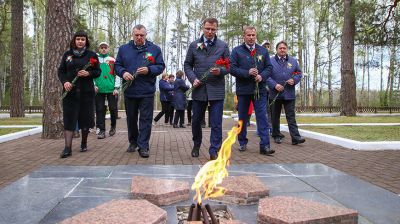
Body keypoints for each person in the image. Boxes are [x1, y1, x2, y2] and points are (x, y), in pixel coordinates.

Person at [115, 24, 165, 158]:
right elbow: (117, 66)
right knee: (131, 119)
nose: (139, 37)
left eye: (141, 35)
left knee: (146, 119)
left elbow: (160, 66)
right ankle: (133, 142)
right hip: (130, 90)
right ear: (132, 35)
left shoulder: (154, 49)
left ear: (145, 35)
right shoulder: (124, 49)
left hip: (146, 91)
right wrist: (123, 72)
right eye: (136, 35)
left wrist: (149, 70)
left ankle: (143, 146)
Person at [184, 17, 230, 160]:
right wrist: (193, 79)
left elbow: (229, 66)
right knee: (196, 120)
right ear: (202, 28)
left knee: (216, 122)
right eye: (207, 29)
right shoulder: (194, 45)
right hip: (199, 89)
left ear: (216, 30)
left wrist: (221, 71)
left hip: (216, 89)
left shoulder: (223, 46)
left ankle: (214, 149)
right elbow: (187, 65)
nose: (210, 32)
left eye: (213, 29)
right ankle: (196, 144)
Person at [230, 26, 274, 155]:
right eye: (248, 35)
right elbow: (232, 68)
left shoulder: (263, 51)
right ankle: (242, 141)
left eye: (253, 35)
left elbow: (269, 67)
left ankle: (265, 145)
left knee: (262, 117)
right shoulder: (237, 51)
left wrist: (262, 76)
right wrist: (247, 72)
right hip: (243, 90)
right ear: (243, 36)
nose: (251, 37)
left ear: (256, 36)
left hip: (259, 90)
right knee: (242, 118)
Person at [58, 31, 101, 158]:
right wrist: (65, 82)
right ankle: (67, 148)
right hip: (70, 93)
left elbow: (98, 71)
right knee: (69, 119)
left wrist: (88, 74)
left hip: (86, 93)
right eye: (78, 39)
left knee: (85, 119)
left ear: (86, 41)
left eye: (82, 39)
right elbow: (61, 71)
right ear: (74, 41)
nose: (80, 41)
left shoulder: (91, 55)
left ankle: (84, 142)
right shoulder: (67, 54)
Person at [267, 41, 305, 145]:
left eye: (284, 48)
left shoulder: (293, 61)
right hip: (275, 94)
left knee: (291, 117)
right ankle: (276, 135)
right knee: (275, 117)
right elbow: (266, 76)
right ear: (277, 50)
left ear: (287, 49)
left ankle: (296, 138)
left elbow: (299, 73)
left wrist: (294, 80)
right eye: (280, 48)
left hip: (289, 94)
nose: (282, 50)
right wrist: (275, 85)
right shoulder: (270, 61)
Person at [94, 41, 120, 139]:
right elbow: (92, 74)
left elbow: (117, 75)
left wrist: (116, 88)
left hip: (111, 89)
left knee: (113, 108)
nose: (104, 49)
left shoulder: (112, 60)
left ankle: (113, 126)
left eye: (105, 47)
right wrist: (94, 85)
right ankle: (101, 130)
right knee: (100, 109)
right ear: (99, 49)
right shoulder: (95, 60)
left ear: (108, 49)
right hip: (98, 89)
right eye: (102, 47)